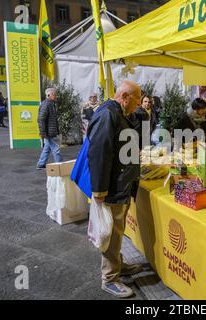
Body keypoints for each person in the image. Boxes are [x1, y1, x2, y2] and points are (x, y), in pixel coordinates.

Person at [87, 80, 143, 298]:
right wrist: (100, 190)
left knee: (117, 232)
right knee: (110, 233)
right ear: (126, 97)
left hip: (119, 185)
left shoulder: (115, 113)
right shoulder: (108, 114)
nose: (138, 105)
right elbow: (99, 154)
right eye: (137, 100)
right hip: (111, 188)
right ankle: (110, 278)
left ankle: (117, 264)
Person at [36, 88, 63, 169]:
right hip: (49, 132)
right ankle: (60, 165)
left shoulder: (50, 104)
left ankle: (41, 164)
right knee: (56, 149)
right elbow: (41, 119)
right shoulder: (46, 104)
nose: (56, 96)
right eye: (54, 95)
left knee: (47, 149)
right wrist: (42, 133)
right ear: (48, 95)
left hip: (49, 131)